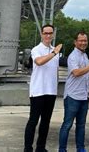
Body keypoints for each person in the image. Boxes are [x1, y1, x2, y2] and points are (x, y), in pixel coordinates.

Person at [58, 32, 89, 152]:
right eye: (81, 40)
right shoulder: (73, 56)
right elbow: (76, 72)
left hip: (84, 96)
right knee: (67, 125)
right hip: (72, 96)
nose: (83, 43)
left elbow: (86, 76)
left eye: (85, 40)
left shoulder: (84, 56)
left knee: (81, 125)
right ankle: (62, 149)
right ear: (75, 42)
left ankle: (81, 148)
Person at [24, 24, 63, 152]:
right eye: (45, 33)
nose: (48, 35)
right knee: (33, 121)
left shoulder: (55, 51)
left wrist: (56, 86)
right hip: (38, 91)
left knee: (46, 122)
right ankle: (28, 148)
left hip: (50, 91)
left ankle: (40, 147)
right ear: (41, 34)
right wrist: (54, 53)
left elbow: (55, 70)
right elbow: (39, 62)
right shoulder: (37, 49)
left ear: (53, 34)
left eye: (50, 33)